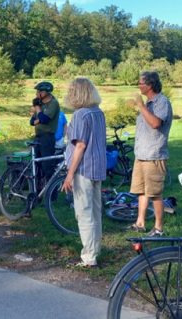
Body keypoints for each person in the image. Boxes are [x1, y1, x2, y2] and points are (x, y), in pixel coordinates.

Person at [61, 78, 106, 268]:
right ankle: (94, 250)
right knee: (96, 212)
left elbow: (80, 145)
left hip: (83, 169)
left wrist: (70, 174)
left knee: (84, 213)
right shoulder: (98, 113)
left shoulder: (81, 114)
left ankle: (89, 257)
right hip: (98, 167)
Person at [130, 71, 173, 237]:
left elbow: (155, 123)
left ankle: (159, 228)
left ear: (150, 85)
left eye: (141, 83)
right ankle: (140, 223)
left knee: (155, 193)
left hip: (154, 155)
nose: (139, 85)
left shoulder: (162, 102)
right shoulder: (148, 103)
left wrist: (140, 106)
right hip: (141, 154)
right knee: (142, 191)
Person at [29, 81, 60, 182]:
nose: (37, 94)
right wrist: (39, 118)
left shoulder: (53, 103)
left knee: (47, 165)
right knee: (36, 164)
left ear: (46, 92)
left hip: (47, 137)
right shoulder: (40, 104)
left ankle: (52, 193)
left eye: (39, 91)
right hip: (38, 136)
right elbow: (32, 122)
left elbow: (45, 119)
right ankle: (38, 190)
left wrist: (38, 109)